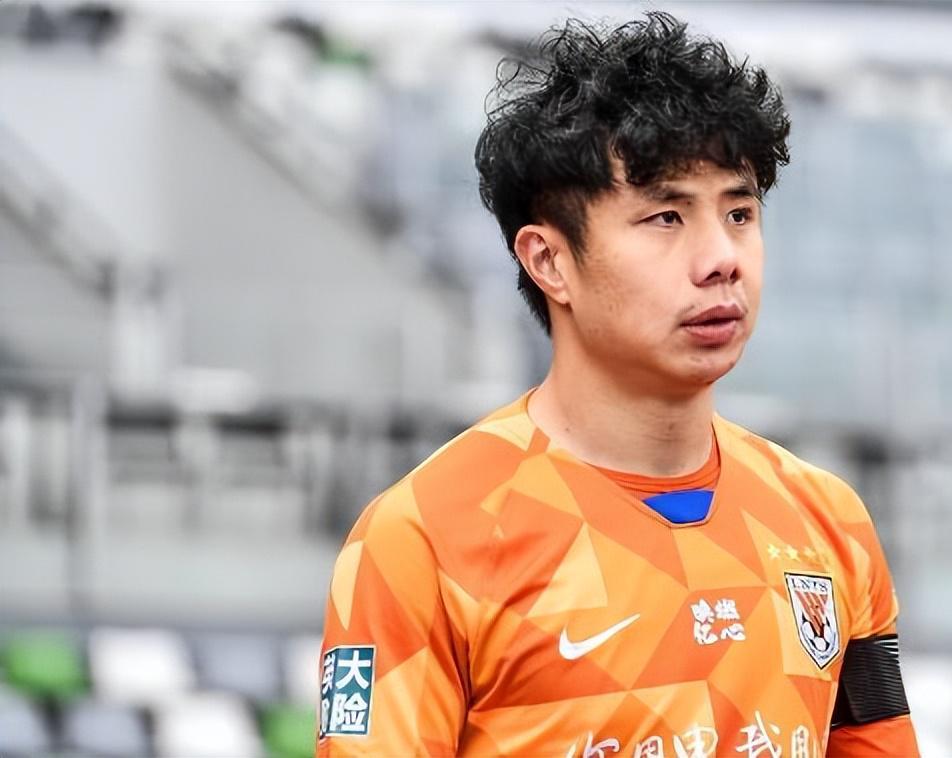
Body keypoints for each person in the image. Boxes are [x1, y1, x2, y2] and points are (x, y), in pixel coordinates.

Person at [317, 12, 919, 758]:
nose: (722, 258)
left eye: (739, 213)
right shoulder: (421, 538)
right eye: (666, 217)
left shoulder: (830, 522)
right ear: (549, 261)